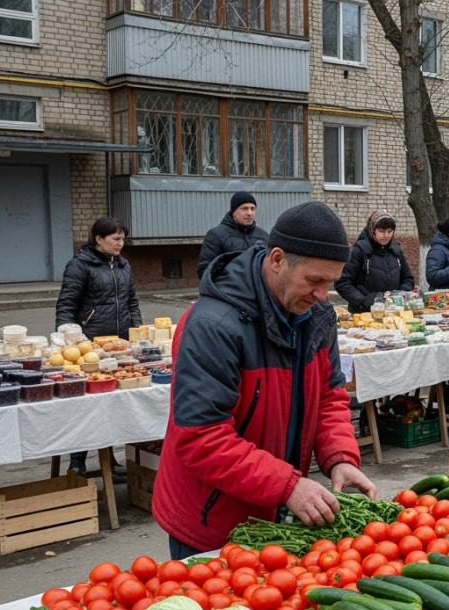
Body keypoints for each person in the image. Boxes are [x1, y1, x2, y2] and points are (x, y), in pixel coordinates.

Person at [154, 201, 377, 559]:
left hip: (277, 513)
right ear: (277, 260)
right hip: (212, 520)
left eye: (331, 283)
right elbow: (202, 437)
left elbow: (329, 396)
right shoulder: (212, 325)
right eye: (314, 281)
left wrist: (340, 458)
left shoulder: (317, 315)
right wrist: (288, 486)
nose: (323, 295)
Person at [55, 216, 143, 475]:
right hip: (89, 346)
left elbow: (132, 302)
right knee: (86, 406)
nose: (120, 243)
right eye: (115, 239)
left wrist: (137, 333)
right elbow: (67, 304)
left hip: (119, 345)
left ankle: (112, 459)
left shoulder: (123, 264)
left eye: (123, 239)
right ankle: (77, 462)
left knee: (116, 403)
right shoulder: (80, 265)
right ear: (98, 239)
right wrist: (67, 338)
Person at [334, 210, 416, 314]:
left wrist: (399, 294)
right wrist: (364, 301)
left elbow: (408, 278)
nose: (386, 235)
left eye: (389, 231)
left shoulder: (396, 250)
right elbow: (342, 282)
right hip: (364, 313)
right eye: (381, 231)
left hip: (393, 311)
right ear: (372, 231)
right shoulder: (359, 250)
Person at [197, 191, 268, 281]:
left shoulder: (263, 235)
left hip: (258, 289)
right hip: (228, 289)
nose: (250, 213)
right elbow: (204, 272)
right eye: (244, 208)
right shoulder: (216, 235)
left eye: (253, 209)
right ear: (233, 211)